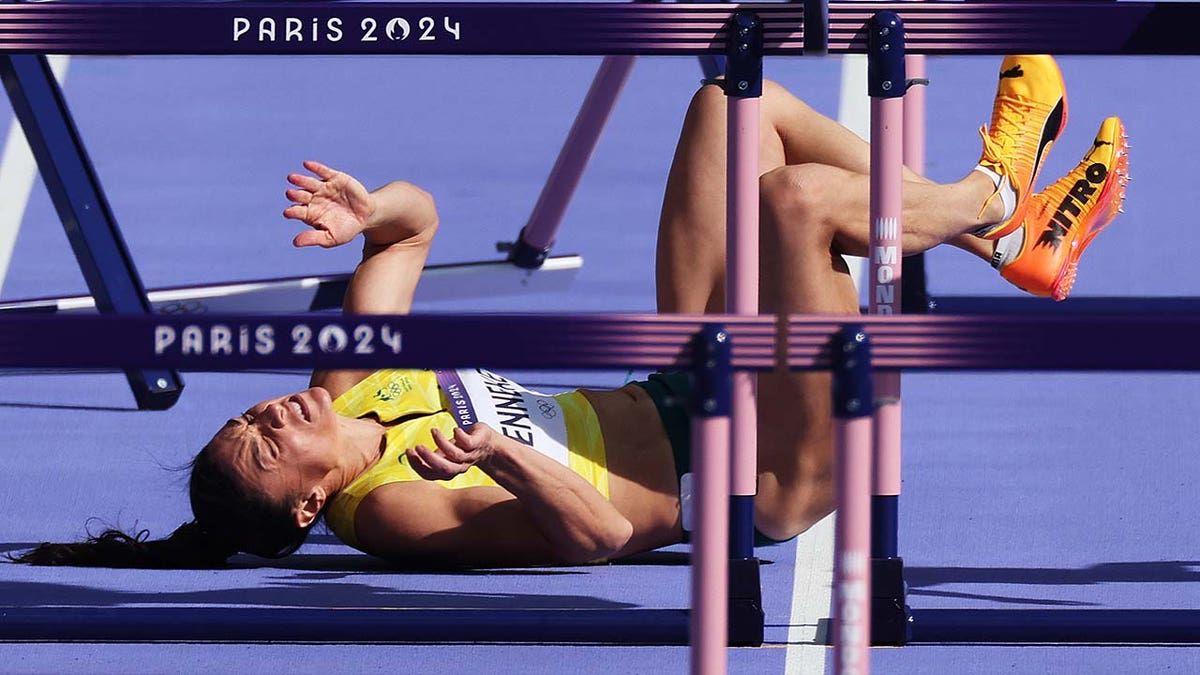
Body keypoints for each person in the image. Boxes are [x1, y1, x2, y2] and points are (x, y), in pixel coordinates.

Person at [11, 55, 1127, 568]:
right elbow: (598, 537)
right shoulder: (394, 513)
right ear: (308, 508)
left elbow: (416, 229)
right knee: (794, 205)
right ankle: (990, 197)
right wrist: (504, 457)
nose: (269, 414)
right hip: (756, 474)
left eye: (245, 416)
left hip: (679, 379)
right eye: (265, 447)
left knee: (730, 109)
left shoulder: (350, 384)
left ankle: (999, 234)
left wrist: (369, 212)